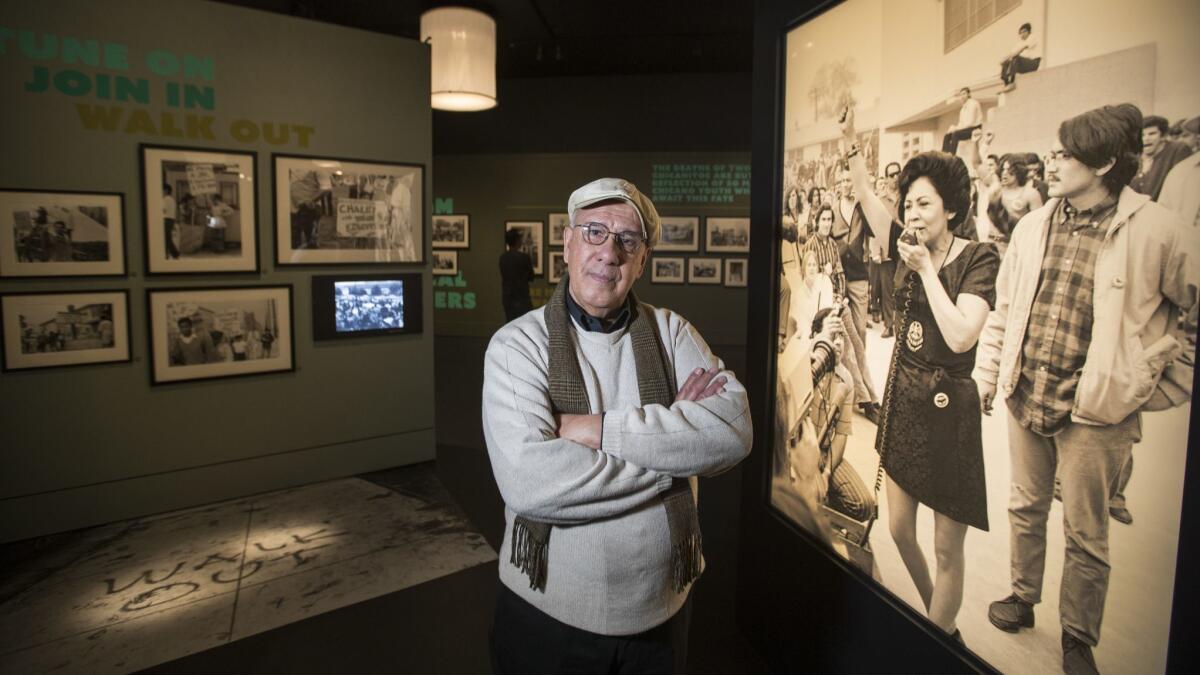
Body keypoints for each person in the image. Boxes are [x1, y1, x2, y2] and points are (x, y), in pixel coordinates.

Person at [483, 177, 752, 674]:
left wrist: (597, 430)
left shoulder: (672, 333)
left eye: (627, 240)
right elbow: (530, 483)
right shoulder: (516, 346)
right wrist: (672, 453)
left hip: (660, 621)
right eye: (594, 232)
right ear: (566, 243)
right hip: (546, 617)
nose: (610, 252)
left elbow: (733, 430)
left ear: (642, 260)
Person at [975, 104, 1195, 675]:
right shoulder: (1033, 225)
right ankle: (1022, 598)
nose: (1054, 161)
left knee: (1086, 530)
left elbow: (1190, 309)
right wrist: (990, 371)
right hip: (1029, 395)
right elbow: (1005, 309)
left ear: (1103, 163)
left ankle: (1077, 635)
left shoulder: (1158, 230)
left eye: (1067, 154)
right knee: (1025, 507)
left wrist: (1153, 379)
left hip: (1097, 413)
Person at [841, 107, 999, 642]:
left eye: (923, 203)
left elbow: (960, 336)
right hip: (905, 400)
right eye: (907, 204)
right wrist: (850, 139)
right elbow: (864, 192)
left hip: (950, 410)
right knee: (899, 529)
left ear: (951, 208)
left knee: (946, 546)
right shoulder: (904, 245)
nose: (912, 213)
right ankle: (942, 625)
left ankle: (937, 636)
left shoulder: (978, 257)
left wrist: (927, 269)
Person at [1131, 114, 1194, 201]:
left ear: (1163, 136)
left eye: (1152, 134)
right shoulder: (1137, 157)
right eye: (1142, 135)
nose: (1146, 138)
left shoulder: (1177, 150)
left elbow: (1182, 185)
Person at [498, 228, 534, 322]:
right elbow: (531, 277)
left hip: (508, 298)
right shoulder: (524, 258)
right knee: (525, 324)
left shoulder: (503, 258)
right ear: (518, 241)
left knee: (510, 324)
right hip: (522, 297)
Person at [942, 87, 983, 156]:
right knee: (947, 136)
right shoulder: (963, 108)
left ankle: (952, 155)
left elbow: (970, 122)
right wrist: (953, 128)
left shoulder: (973, 103)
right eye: (961, 95)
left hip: (975, 129)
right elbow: (961, 123)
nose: (962, 96)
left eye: (964, 94)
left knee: (956, 134)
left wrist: (956, 129)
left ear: (969, 94)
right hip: (966, 128)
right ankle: (944, 155)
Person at [1000, 22, 1041, 89]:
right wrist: (1003, 60)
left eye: (1024, 32)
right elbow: (1011, 53)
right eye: (1021, 33)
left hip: (1034, 63)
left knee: (1016, 57)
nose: (1022, 34)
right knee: (1006, 62)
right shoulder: (1020, 43)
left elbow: (1022, 49)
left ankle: (1012, 82)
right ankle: (1006, 83)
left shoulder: (1032, 37)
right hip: (1024, 64)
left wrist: (1013, 55)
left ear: (1029, 31)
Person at [163, 183, 180, 259]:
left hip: (166, 219)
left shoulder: (166, 199)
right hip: (171, 219)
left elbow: (163, 209)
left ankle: (175, 254)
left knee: (166, 238)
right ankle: (168, 255)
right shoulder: (171, 199)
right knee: (166, 238)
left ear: (166, 190)